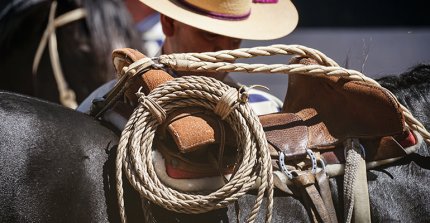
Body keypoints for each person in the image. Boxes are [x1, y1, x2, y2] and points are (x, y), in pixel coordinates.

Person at [77, 0, 299, 130]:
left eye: (234, 41)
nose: (226, 53)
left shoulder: (268, 112)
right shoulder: (104, 109)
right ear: (169, 23)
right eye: (210, 36)